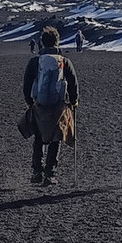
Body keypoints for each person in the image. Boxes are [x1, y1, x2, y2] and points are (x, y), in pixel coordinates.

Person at [22, 26, 79, 185]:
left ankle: (36, 171)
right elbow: (73, 83)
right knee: (56, 138)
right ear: (57, 42)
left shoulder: (35, 62)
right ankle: (50, 173)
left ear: (42, 42)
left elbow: (27, 83)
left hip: (39, 104)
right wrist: (74, 101)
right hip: (58, 105)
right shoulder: (64, 62)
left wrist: (29, 100)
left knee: (39, 137)